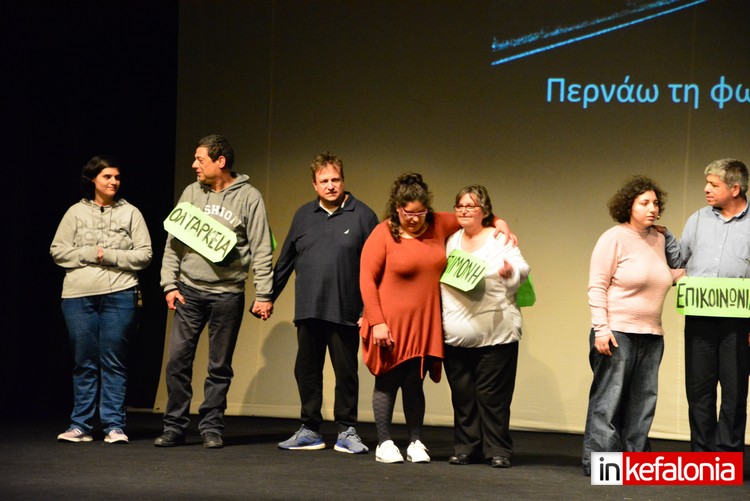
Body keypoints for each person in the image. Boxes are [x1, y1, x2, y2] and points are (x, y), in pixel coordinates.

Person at [359, 173, 513, 464]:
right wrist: (376, 321)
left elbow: (474, 216)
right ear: (397, 208)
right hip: (389, 321)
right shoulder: (383, 233)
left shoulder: (437, 223)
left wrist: (501, 223)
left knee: (414, 382)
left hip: (423, 322)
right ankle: (385, 442)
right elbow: (367, 279)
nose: (414, 219)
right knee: (388, 380)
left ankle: (415, 441)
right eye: (408, 213)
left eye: (419, 213)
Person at [154, 134, 274, 449]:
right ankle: (174, 426)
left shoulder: (249, 197)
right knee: (177, 362)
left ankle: (211, 427)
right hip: (189, 291)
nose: (194, 165)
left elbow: (262, 248)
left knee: (219, 366)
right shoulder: (192, 192)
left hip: (228, 294)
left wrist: (264, 294)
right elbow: (174, 242)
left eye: (200, 159)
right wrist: (169, 284)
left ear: (220, 161)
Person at [272, 152, 378, 453]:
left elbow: (378, 267)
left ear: (343, 181)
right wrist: (267, 297)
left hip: (346, 311)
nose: (330, 186)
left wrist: (370, 309)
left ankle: (346, 430)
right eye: (324, 181)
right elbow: (285, 261)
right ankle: (310, 430)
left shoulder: (363, 215)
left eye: (335, 179)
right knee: (306, 371)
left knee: (346, 373)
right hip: (309, 309)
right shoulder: (303, 215)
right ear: (314, 185)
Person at [581, 175, 683, 476]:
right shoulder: (613, 238)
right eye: (644, 203)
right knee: (609, 400)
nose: (652, 208)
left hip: (652, 336)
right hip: (617, 333)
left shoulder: (659, 240)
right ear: (629, 206)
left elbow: (668, 275)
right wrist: (602, 329)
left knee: (642, 402)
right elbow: (597, 286)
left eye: (655, 203)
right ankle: (602, 463)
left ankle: (634, 462)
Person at [51, 155, 153, 444]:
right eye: (107, 176)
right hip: (78, 296)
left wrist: (107, 255)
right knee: (84, 361)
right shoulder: (75, 212)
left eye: (117, 177)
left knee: (113, 360)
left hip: (120, 293)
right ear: (92, 179)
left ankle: (113, 426)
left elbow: (144, 255)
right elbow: (58, 251)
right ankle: (80, 425)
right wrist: (88, 253)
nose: (113, 182)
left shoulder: (130, 212)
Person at [440, 185, 529, 469]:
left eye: (471, 206)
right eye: (460, 206)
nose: (464, 211)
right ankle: (466, 447)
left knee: (493, 398)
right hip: (455, 336)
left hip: (496, 334)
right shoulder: (450, 240)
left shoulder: (499, 239)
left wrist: (510, 272)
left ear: (484, 211)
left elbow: (522, 269)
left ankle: (497, 449)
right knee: (463, 397)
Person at [665, 158, 750, 453]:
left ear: (735, 189)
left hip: (738, 322)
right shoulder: (698, 219)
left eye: (714, 184)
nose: (706, 189)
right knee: (699, 390)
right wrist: (662, 237)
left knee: (734, 392)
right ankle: (702, 456)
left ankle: (726, 457)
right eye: (707, 183)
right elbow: (679, 260)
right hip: (699, 318)